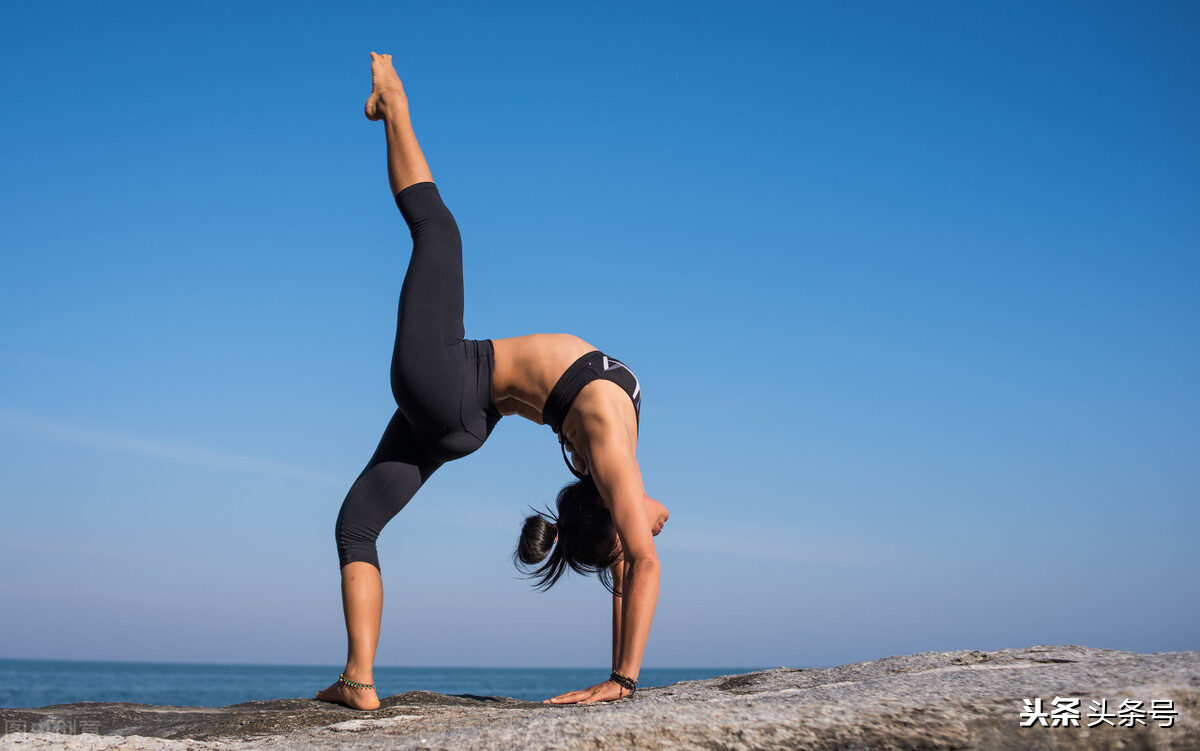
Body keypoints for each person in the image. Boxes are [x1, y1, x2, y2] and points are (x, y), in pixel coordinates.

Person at [315, 52, 670, 711]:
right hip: (466, 424)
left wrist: (621, 681)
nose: (648, 528)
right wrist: (620, 664)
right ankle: (357, 681)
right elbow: (629, 555)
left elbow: (639, 563)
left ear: (605, 507)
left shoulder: (611, 455)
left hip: (447, 375)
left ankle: (393, 101)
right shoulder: (612, 470)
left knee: (438, 231)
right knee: (356, 526)